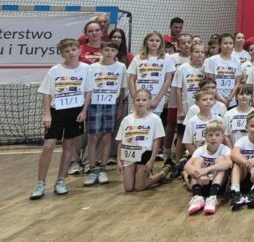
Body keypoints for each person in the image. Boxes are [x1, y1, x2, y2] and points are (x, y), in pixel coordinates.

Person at [30, 38, 91, 199]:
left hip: (75, 112)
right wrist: (47, 114)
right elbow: (46, 93)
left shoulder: (86, 69)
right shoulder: (55, 70)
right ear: (62, 54)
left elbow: (88, 91)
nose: (71, 53)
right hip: (56, 112)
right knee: (48, 146)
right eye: (67, 51)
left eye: (73, 50)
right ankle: (40, 183)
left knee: (68, 146)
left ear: (79, 51)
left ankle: (61, 181)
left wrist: (84, 111)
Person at [84, 40, 126, 186]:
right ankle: (92, 169)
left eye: (113, 50)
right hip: (94, 104)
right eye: (107, 50)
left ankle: (103, 169)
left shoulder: (121, 67)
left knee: (107, 136)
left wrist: (120, 106)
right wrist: (85, 108)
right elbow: (88, 89)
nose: (109, 53)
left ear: (116, 52)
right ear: (101, 51)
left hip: (111, 104)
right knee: (93, 137)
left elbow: (122, 88)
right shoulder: (92, 67)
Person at [115, 88, 170, 192]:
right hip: (129, 153)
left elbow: (156, 141)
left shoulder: (155, 119)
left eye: (144, 100)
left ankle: (162, 174)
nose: (141, 102)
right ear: (133, 101)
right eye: (138, 100)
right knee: (128, 188)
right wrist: (118, 160)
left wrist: (152, 160)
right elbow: (120, 141)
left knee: (139, 187)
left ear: (149, 101)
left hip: (145, 153)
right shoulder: (126, 119)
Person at [185, 121, 232, 215]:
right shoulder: (200, 150)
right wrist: (198, 174)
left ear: (222, 137)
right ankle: (197, 196)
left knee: (221, 160)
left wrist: (206, 170)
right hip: (202, 182)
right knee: (197, 160)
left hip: (218, 185)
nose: (213, 138)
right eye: (210, 135)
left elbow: (229, 163)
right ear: (205, 137)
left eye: (217, 135)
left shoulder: (225, 149)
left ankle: (212, 198)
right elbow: (187, 166)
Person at [172, 43, 208, 161]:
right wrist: (180, 109)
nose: (200, 54)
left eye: (202, 52)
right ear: (191, 53)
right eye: (197, 52)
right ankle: (177, 162)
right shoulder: (182, 68)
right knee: (182, 134)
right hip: (186, 106)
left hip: (202, 107)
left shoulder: (206, 69)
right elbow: (178, 89)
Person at [127, 31, 175, 120]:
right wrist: (135, 98)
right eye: (151, 40)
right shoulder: (138, 58)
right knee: (136, 123)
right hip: (139, 98)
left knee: (153, 124)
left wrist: (157, 100)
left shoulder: (167, 58)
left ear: (161, 43)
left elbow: (168, 80)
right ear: (146, 42)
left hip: (156, 99)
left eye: (157, 41)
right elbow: (131, 80)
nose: (154, 43)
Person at [205, 33, 241, 108]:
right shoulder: (212, 60)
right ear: (219, 45)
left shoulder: (237, 61)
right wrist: (222, 100)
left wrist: (230, 98)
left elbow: (237, 82)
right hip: (216, 100)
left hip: (231, 101)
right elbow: (211, 82)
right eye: (225, 43)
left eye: (230, 43)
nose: (228, 46)